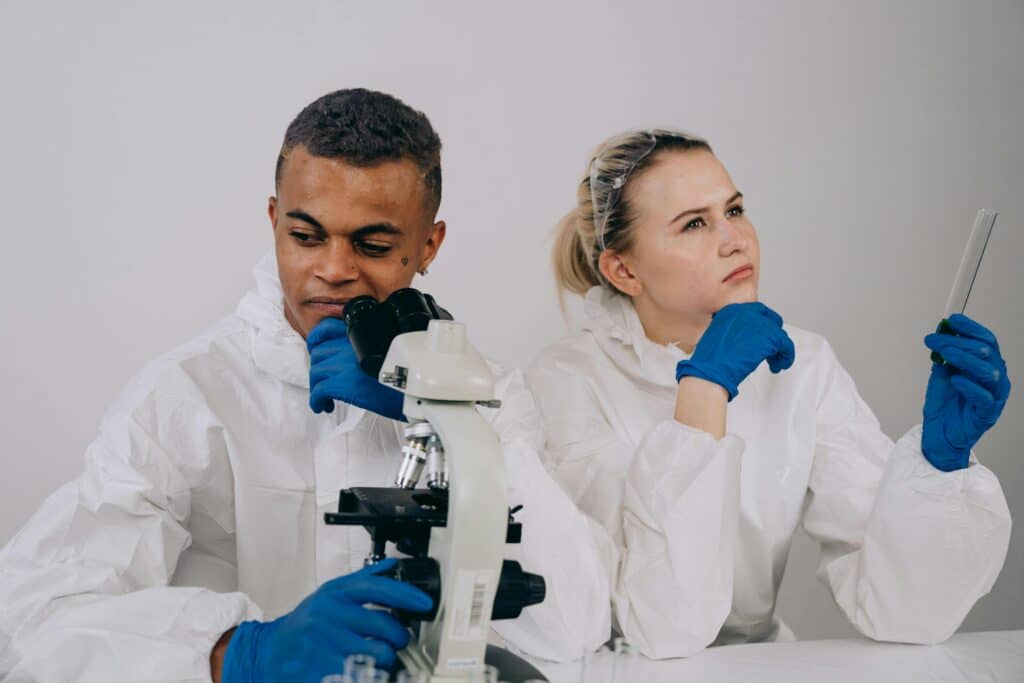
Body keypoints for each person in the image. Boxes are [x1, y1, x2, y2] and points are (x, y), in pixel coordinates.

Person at [0, 89, 614, 683]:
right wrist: (234, 655)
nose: (334, 270)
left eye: (373, 245)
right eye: (306, 236)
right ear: (274, 221)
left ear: (428, 245)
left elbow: (574, 625)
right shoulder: (188, 395)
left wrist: (443, 416)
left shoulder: (486, 394)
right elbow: (29, 617)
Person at [526, 128, 1013, 659]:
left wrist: (937, 469)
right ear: (624, 270)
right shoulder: (568, 380)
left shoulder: (801, 364)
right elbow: (660, 626)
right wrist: (706, 386)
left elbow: (905, 613)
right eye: (694, 223)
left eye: (734, 210)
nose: (735, 239)